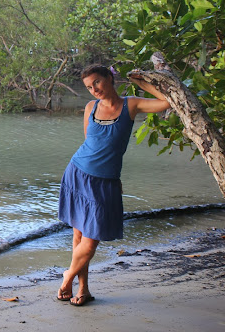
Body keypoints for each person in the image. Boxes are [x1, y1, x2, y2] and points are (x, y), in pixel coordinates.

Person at [57, 64, 170, 306]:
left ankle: (67, 276)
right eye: (89, 87)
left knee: (90, 239)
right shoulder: (91, 107)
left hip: (106, 181)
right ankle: (83, 290)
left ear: (110, 78)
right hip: (77, 173)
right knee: (79, 236)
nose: (94, 89)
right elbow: (89, 141)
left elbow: (166, 102)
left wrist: (141, 82)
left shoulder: (131, 104)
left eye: (97, 82)